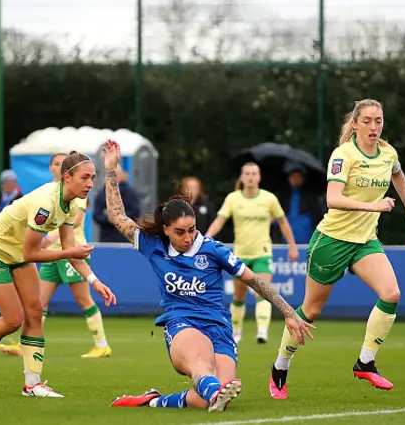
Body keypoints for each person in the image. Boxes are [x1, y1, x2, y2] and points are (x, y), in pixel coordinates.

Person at [99, 140, 313, 412]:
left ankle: (154, 401)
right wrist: (110, 170)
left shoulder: (213, 250)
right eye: (180, 232)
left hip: (219, 327)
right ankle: (214, 389)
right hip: (182, 322)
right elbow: (118, 217)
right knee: (203, 368)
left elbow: (254, 280)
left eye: (192, 229)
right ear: (165, 230)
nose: (188, 237)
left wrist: (287, 311)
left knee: (211, 399)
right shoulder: (153, 247)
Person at [269, 98, 405, 400]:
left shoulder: (388, 153)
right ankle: (280, 367)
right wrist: (374, 205)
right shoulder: (343, 155)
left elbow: (398, 174)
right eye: (367, 121)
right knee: (310, 311)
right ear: (355, 124)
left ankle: (365, 362)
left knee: (391, 294)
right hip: (332, 241)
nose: (374, 126)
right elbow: (333, 199)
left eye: (378, 120)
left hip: (365, 241)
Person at [0, 151, 116, 397]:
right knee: (13, 320)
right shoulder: (46, 204)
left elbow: (71, 251)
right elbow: (34, 253)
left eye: (93, 178)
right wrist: (69, 252)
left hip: (17, 253)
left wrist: (94, 281)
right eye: (85, 178)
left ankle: (32, 385)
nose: (90, 184)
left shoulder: (70, 204)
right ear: (67, 177)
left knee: (35, 312)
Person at [0, 152, 112, 358]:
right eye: (56, 163)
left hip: (71, 252)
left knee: (85, 300)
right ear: (51, 168)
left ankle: (102, 344)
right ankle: (26, 344)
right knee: (39, 303)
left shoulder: (77, 193)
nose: (59, 167)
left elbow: (76, 221)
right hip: (50, 255)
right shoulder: (49, 195)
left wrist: (49, 237)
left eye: (62, 163)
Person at [205, 162, 299, 345]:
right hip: (240, 254)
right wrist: (206, 237)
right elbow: (220, 220)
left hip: (262, 252)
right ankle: (236, 332)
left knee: (263, 292)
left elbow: (283, 223)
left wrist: (292, 246)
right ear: (241, 177)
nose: (250, 177)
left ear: (259, 177)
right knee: (239, 297)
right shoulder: (233, 199)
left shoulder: (269, 198)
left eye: (254, 173)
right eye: (247, 173)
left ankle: (262, 331)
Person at [93, 165, 141, 242]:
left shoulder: (130, 193)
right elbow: (96, 215)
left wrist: (118, 219)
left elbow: (135, 213)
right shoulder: (101, 194)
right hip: (106, 239)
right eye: (109, 175)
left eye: (115, 174)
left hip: (125, 239)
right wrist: (108, 220)